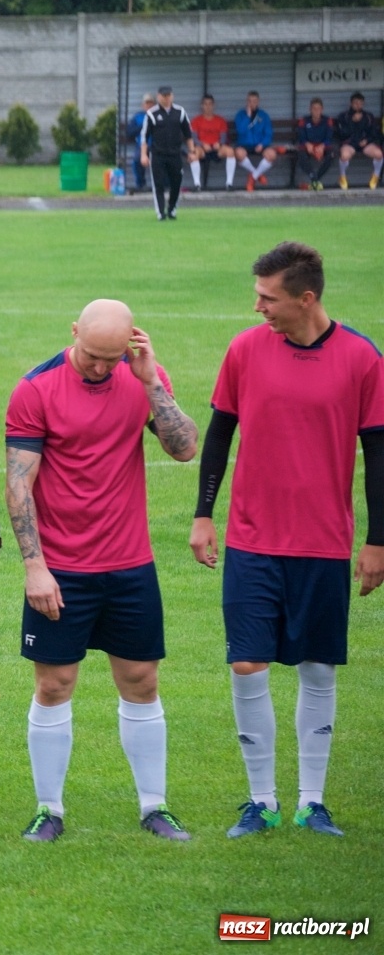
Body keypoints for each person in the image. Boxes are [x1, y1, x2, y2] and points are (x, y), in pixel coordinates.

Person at [190, 242, 384, 840]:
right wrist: (203, 515)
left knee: (317, 668)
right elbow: (220, 434)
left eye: (268, 298)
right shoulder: (246, 350)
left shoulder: (362, 359)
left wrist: (378, 541)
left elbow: (378, 455)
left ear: (306, 298)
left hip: (324, 543)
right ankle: (261, 801)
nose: (258, 308)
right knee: (248, 663)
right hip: (252, 540)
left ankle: (311, 801)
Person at [5, 301, 199, 843]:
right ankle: (49, 810)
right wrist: (34, 567)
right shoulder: (36, 389)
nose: (99, 368)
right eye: (92, 356)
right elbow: (19, 483)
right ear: (74, 334)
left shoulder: (141, 377)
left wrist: (149, 381)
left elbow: (184, 449)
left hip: (130, 564)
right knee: (54, 684)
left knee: (142, 681)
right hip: (62, 569)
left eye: (110, 359)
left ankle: (155, 807)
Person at [139, 85, 191, 220]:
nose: (166, 98)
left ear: (172, 96)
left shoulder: (180, 112)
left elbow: (188, 134)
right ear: (158, 96)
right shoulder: (152, 113)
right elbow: (144, 136)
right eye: (163, 96)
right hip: (158, 154)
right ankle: (160, 212)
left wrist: (192, 151)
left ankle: (172, 209)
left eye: (168, 95)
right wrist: (144, 154)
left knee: (176, 182)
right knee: (158, 183)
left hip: (175, 153)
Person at [332, 92, 382, 190]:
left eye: (360, 103)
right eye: (356, 103)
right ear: (351, 104)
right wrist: (353, 121)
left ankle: (375, 177)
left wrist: (366, 140)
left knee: (379, 154)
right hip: (350, 143)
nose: (358, 105)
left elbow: (374, 133)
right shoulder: (343, 116)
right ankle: (342, 177)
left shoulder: (368, 116)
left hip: (364, 144)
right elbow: (341, 134)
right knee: (345, 155)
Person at [230, 91, 276, 191]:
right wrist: (248, 116)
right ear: (247, 102)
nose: (252, 103)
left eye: (254, 101)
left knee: (272, 154)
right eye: (250, 101)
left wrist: (262, 144)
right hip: (244, 144)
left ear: (258, 101)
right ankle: (257, 174)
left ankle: (253, 177)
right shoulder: (240, 115)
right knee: (239, 153)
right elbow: (240, 130)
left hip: (260, 145)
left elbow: (268, 133)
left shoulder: (264, 115)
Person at [187, 94, 231, 191]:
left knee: (230, 151)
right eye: (205, 104)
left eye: (210, 104)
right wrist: (202, 144)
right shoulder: (196, 120)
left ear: (213, 105)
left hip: (217, 148)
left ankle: (229, 184)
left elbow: (223, 137)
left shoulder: (220, 120)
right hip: (202, 149)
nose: (208, 107)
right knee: (193, 154)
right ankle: (197, 185)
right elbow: (193, 137)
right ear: (202, 106)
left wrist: (219, 143)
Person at [295, 99, 335, 190]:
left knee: (331, 155)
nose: (316, 111)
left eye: (318, 109)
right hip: (309, 145)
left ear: (322, 109)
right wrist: (307, 144)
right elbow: (301, 137)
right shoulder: (304, 120)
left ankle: (315, 179)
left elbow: (329, 137)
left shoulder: (327, 120)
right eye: (314, 108)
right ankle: (314, 177)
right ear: (310, 109)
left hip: (322, 145)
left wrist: (323, 145)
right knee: (300, 154)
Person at [126, 93, 155, 191]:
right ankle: (141, 184)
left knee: (162, 160)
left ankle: (163, 185)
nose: (149, 106)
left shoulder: (159, 116)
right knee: (137, 159)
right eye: (147, 103)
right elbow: (129, 132)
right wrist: (144, 125)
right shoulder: (138, 117)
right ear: (143, 105)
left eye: (151, 103)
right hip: (142, 145)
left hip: (156, 146)